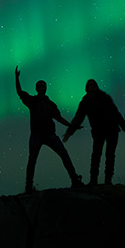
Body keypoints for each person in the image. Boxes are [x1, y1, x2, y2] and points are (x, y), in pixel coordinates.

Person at [15, 65, 82, 193]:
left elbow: (59, 118)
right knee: (32, 160)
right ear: (36, 88)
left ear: (45, 89)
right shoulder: (32, 101)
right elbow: (19, 92)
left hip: (50, 134)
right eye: (39, 86)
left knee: (64, 154)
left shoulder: (50, 104)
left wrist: (72, 126)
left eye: (43, 86)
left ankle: (75, 180)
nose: (41, 88)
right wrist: (16, 78)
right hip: (37, 135)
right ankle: (29, 187)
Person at [62, 79, 125, 186]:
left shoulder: (104, 98)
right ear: (87, 87)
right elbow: (78, 117)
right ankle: (94, 180)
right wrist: (69, 132)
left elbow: (115, 113)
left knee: (109, 155)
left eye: (93, 84)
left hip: (111, 129)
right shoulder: (86, 102)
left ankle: (107, 180)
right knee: (97, 155)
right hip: (99, 131)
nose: (92, 86)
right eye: (90, 85)